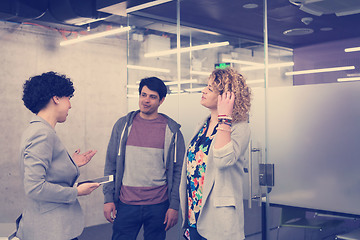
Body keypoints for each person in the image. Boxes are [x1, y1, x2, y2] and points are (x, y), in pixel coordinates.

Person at [16, 71, 100, 240]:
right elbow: (35, 187)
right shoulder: (42, 134)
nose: (70, 105)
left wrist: (72, 163)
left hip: (49, 227)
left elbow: (49, 174)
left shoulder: (38, 129)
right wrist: (76, 191)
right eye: (68, 98)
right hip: (50, 230)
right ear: (56, 98)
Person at [103, 77, 185, 240]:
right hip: (126, 203)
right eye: (143, 95)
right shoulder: (123, 125)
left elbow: (178, 172)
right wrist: (108, 198)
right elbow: (110, 164)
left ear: (161, 100)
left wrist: (174, 206)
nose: (146, 100)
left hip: (159, 205)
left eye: (152, 97)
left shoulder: (172, 131)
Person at [179, 67, 251, 240]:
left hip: (219, 219)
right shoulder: (202, 125)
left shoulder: (239, 127)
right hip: (194, 213)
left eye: (210, 88)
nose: (203, 90)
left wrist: (224, 118)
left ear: (226, 96)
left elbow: (222, 159)